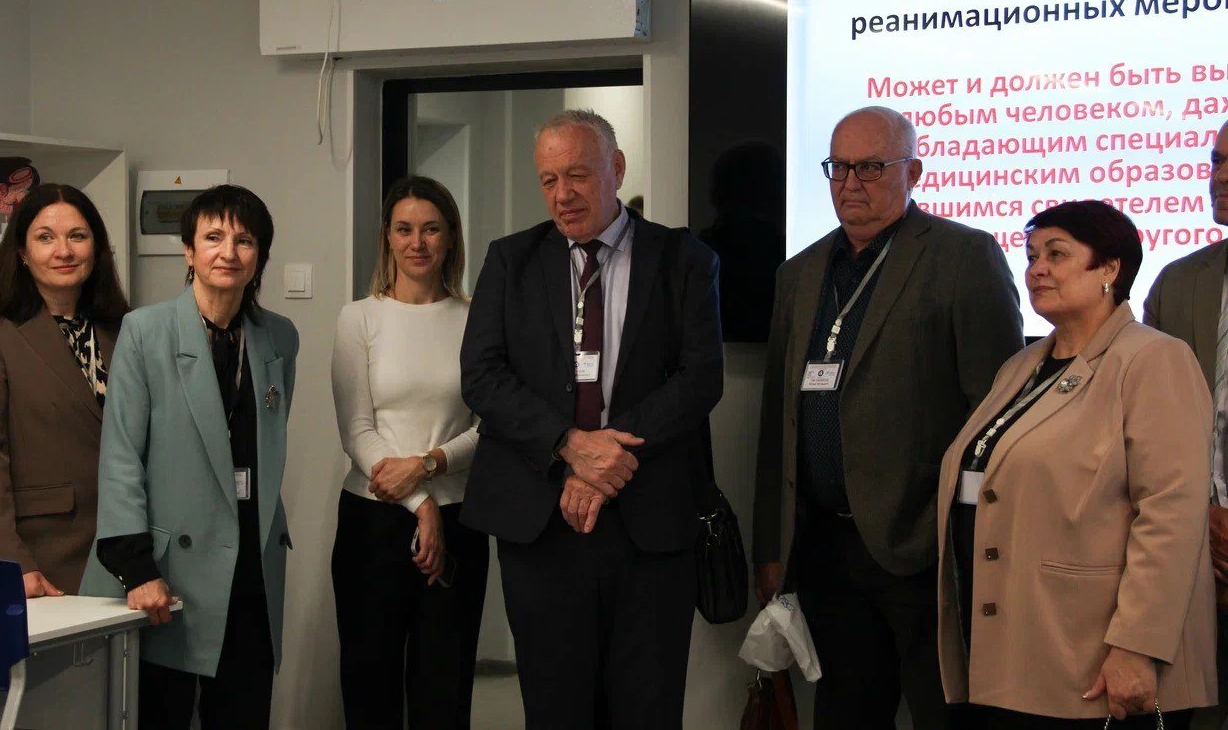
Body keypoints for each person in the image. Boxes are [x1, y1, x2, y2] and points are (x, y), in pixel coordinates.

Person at [753, 106, 1024, 728]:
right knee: (844, 713)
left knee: (942, 713)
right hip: (824, 549)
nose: (851, 183)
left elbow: (997, 413)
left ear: (914, 172)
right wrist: (773, 544)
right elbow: (778, 423)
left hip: (922, 549)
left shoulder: (963, 256)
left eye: (871, 167)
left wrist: (964, 537)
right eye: (839, 167)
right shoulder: (799, 273)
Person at [460, 109, 723, 729]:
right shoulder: (511, 260)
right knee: (555, 707)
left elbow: (699, 379)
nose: (563, 195)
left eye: (577, 175)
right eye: (548, 180)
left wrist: (607, 458)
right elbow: (482, 375)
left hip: (649, 522)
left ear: (617, 168)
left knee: (646, 706)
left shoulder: (683, 259)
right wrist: (568, 445)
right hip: (540, 521)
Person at [937, 200, 1216, 728]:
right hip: (1020, 642)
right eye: (1031, 255)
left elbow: (1172, 515)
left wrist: (1137, 646)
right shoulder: (1022, 364)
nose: (1036, 269)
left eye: (1057, 254)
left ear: (1110, 268)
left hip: (1097, 656)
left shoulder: (1154, 358)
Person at [79, 185, 298, 730]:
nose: (229, 252)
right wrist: (136, 569)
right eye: (213, 237)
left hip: (251, 561)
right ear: (189, 251)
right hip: (165, 572)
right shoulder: (145, 331)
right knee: (161, 713)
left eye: (244, 240)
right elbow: (121, 458)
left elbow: (267, 443)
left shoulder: (279, 336)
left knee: (244, 712)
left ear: (260, 256)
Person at [330, 175, 487, 729]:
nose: (417, 242)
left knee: (444, 691)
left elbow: (490, 427)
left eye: (431, 229)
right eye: (404, 229)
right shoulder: (359, 318)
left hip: (459, 520)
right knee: (369, 687)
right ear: (387, 237)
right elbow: (356, 428)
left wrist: (427, 467)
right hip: (372, 521)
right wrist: (420, 504)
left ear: (451, 237)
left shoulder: (477, 318)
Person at [0, 183, 128, 597]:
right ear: (21, 250)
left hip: (127, 542)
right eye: (45, 237)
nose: (63, 251)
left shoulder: (124, 326)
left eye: (77, 236)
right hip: (45, 549)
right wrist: (11, 559)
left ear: (96, 247)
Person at [1143, 117, 1228, 730]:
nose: (1220, 176)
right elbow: (1149, 423)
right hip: (1196, 547)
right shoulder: (1180, 281)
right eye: (1217, 160)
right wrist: (1206, 514)